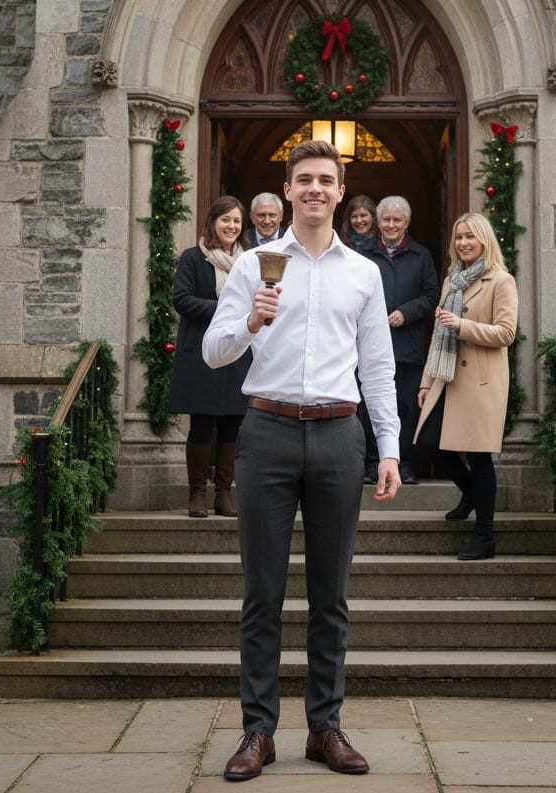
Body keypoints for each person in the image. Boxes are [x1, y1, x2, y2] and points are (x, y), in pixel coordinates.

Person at [202, 140, 401, 782]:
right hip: (267, 430)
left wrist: (389, 448)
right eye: (304, 180)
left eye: (326, 180)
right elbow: (213, 352)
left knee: (330, 595)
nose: (315, 189)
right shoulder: (256, 264)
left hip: (340, 437)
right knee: (262, 592)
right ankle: (257, 731)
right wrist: (250, 324)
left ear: (341, 192)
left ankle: (325, 728)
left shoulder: (363, 273)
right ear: (287, 191)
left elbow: (377, 367)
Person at [414, 212, 518, 560]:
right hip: (447, 376)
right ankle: (472, 493)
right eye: (458, 237)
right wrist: (427, 381)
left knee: (478, 456)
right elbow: (438, 335)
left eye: (470, 237)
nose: (463, 243)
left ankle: (484, 536)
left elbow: (506, 333)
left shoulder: (500, 280)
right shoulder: (451, 280)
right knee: (431, 444)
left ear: (484, 240)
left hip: (480, 381)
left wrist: (463, 325)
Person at [168, 195, 251, 518]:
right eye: (225, 220)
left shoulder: (250, 262)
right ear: (212, 222)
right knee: (201, 425)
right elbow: (182, 300)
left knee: (232, 425)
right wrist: (226, 311)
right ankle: (197, 494)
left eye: (236, 221)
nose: (231, 226)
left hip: (238, 353)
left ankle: (224, 495)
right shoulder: (193, 258)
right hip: (201, 352)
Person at [360, 196, 439, 485]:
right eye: (386, 220)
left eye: (397, 220)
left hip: (408, 346)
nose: (391, 225)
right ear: (378, 222)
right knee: (369, 405)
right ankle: (372, 463)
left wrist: (406, 313)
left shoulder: (421, 255)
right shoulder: (364, 254)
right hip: (370, 344)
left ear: (406, 223)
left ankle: (404, 463)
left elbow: (432, 295)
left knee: (405, 407)